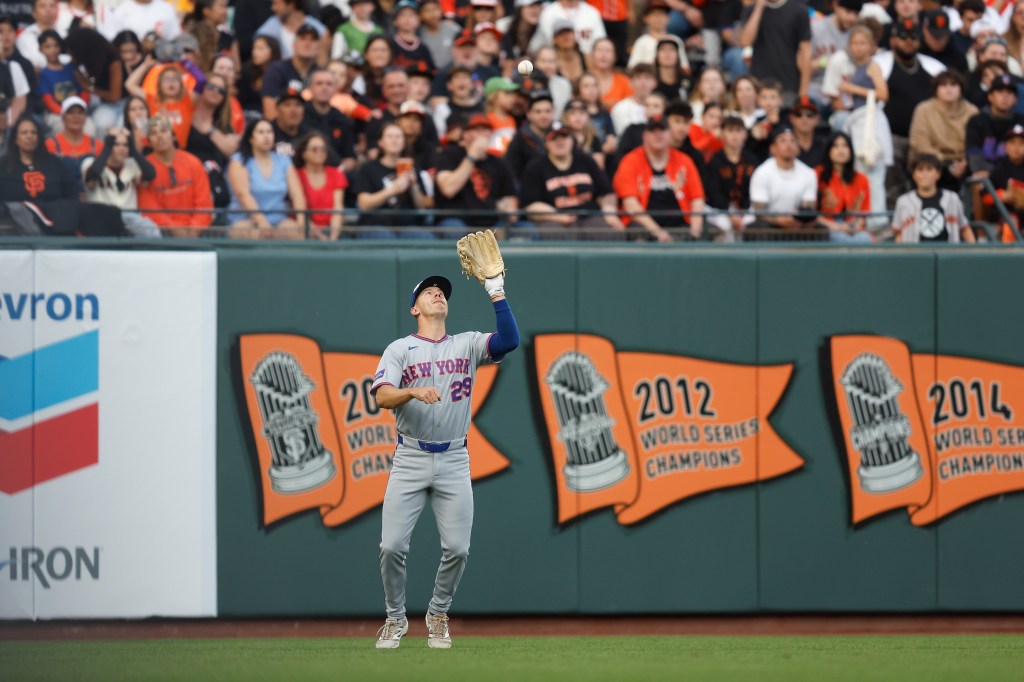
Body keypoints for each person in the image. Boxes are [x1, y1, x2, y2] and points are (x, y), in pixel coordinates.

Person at [371, 271, 520, 650]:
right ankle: (394, 618)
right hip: (410, 456)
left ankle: (438, 614)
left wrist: (496, 292)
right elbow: (383, 397)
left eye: (441, 292)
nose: (437, 295)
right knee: (391, 547)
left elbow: (510, 340)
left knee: (457, 548)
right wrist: (411, 391)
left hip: (454, 457)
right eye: (428, 292)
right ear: (414, 308)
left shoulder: (467, 344)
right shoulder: (400, 349)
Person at [0, 114, 121, 235]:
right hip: (15, 227)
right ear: (15, 139)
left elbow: (71, 195)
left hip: (57, 227)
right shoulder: (3, 166)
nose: (29, 136)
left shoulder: (54, 163)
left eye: (33, 133)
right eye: (24, 133)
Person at [520, 122, 624, 239]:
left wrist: (609, 213)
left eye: (564, 136)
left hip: (588, 216)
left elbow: (605, 193)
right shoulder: (535, 166)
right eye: (553, 138)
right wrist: (558, 216)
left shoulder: (585, 160)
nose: (560, 142)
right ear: (546, 143)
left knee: (612, 232)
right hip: (553, 219)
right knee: (556, 235)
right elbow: (531, 206)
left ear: (572, 140)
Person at [613, 116, 706, 241]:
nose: (658, 135)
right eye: (653, 131)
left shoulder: (684, 161)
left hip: (680, 224)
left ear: (670, 134)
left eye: (662, 130)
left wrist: (695, 230)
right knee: (638, 234)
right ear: (645, 136)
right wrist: (658, 232)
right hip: (645, 226)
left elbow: (697, 199)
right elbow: (631, 206)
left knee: (710, 232)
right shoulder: (630, 161)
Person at [435, 113, 519, 234]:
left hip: (491, 221)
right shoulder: (448, 155)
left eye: (486, 129)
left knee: (522, 228)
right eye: (476, 129)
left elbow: (509, 199)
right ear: (465, 134)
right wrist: (472, 156)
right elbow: (448, 189)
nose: (483, 134)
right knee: (454, 229)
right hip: (457, 220)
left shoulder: (499, 162)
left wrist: (507, 208)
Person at [352, 121, 435, 238]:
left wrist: (414, 186)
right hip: (375, 225)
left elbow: (421, 206)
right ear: (380, 142)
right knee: (384, 236)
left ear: (404, 142)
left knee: (423, 236)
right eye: (389, 136)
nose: (394, 140)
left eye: (398, 136)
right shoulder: (368, 168)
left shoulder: (412, 167)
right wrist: (392, 190)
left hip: (407, 226)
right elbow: (364, 204)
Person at [227, 117, 306, 238]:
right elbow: (243, 194)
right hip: (245, 220)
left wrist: (301, 220)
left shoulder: (284, 160)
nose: (266, 136)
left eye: (269, 132)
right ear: (250, 138)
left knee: (297, 234)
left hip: (279, 219)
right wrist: (261, 221)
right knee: (258, 235)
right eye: (261, 132)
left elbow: (297, 193)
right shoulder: (239, 160)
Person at [137, 115, 213, 235]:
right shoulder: (144, 169)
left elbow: (204, 203)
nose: (159, 136)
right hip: (162, 233)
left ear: (173, 136)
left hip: (196, 232)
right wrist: (174, 230)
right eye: (153, 133)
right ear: (149, 142)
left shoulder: (193, 162)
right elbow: (149, 209)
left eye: (164, 131)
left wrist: (194, 230)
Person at [81, 126, 161, 237]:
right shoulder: (90, 163)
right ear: (108, 145)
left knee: (151, 232)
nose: (122, 149)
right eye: (116, 144)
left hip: (129, 217)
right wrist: (107, 146)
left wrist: (133, 149)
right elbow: (92, 176)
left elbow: (150, 174)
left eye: (125, 145)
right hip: (101, 218)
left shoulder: (132, 164)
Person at [748, 125, 821, 239]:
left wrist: (797, 220)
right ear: (773, 148)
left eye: (792, 141)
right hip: (771, 223)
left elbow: (807, 209)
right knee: (758, 228)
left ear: (798, 147)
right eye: (782, 141)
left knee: (819, 229)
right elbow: (759, 212)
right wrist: (779, 220)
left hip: (796, 223)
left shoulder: (809, 173)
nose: (788, 145)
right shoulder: (762, 172)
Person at [908, 71, 977, 189]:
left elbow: (976, 142)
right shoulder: (923, 109)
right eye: (943, 85)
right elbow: (920, 142)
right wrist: (946, 164)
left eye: (954, 85)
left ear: (961, 89)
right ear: (936, 90)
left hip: (964, 161)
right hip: (932, 160)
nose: (948, 89)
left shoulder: (972, 111)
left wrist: (964, 161)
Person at [739, 0, 812, 104]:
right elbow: (745, 41)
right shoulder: (752, 10)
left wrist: (803, 91)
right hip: (759, 85)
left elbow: (805, 51)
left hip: (788, 86)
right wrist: (759, 8)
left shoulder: (798, 9)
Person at [892, 152, 974, 241]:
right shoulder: (904, 201)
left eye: (929, 169)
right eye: (920, 169)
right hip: (916, 254)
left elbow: (965, 229)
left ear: (938, 174)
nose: (924, 174)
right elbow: (899, 233)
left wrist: (975, 252)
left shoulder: (952, 198)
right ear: (914, 175)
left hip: (948, 253)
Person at [63, 27, 124, 138]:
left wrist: (87, 86)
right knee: (100, 125)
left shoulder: (113, 60)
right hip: (103, 103)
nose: (72, 58)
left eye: (73, 53)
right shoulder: (91, 61)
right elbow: (92, 83)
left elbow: (115, 96)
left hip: (122, 103)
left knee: (120, 129)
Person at [705, 115, 759, 241]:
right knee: (725, 226)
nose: (734, 136)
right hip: (719, 210)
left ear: (745, 134)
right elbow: (713, 191)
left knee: (749, 223)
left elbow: (754, 189)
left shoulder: (752, 160)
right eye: (730, 131)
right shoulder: (715, 160)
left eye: (738, 131)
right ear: (722, 134)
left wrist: (741, 213)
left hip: (746, 209)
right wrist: (729, 213)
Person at [816, 131, 874, 241]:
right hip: (826, 226)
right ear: (829, 150)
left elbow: (863, 215)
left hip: (853, 226)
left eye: (845, 146)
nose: (841, 150)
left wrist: (853, 228)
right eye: (836, 146)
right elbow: (812, 214)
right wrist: (835, 226)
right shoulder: (817, 175)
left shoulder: (862, 179)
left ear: (850, 151)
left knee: (864, 239)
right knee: (843, 239)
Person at [294, 130, 347, 239]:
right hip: (305, 230)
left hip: (332, 229)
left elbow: (338, 209)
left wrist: (333, 237)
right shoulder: (296, 176)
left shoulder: (336, 174)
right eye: (314, 149)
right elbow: (300, 212)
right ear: (304, 153)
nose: (320, 152)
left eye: (323, 149)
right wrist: (319, 236)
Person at [261, 23, 319, 119]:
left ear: (318, 46)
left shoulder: (320, 74)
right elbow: (269, 109)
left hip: (313, 128)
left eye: (313, 40)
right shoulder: (277, 70)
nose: (307, 44)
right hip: (282, 128)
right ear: (294, 44)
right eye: (303, 38)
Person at [255, 0, 330, 63]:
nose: (273, 8)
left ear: (291, 4)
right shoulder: (268, 30)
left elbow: (322, 64)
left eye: (277, 4)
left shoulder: (321, 32)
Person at [505, 88, 554, 178]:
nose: (544, 116)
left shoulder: (561, 135)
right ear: (528, 114)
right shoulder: (519, 140)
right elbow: (512, 173)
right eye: (538, 112)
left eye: (548, 111)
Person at [530, 0, 606, 55]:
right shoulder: (548, 13)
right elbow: (536, 46)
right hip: (556, 62)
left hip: (586, 64)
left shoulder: (592, 12)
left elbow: (601, 43)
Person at [103, 0, 181, 44]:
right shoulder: (120, 10)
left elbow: (175, 37)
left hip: (160, 65)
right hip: (132, 65)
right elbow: (112, 40)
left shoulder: (166, 8)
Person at [238, 35, 280, 115]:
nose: (255, 52)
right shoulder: (246, 72)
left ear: (273, 50)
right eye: (254, 48)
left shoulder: (280, 72)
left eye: (260, 49)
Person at [789, 97, 828, 168]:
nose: (804, 119)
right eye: (799, 114)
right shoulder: (784, 145)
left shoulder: (825, 146)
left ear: (817, 119)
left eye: (810, 115)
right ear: (792, 118)